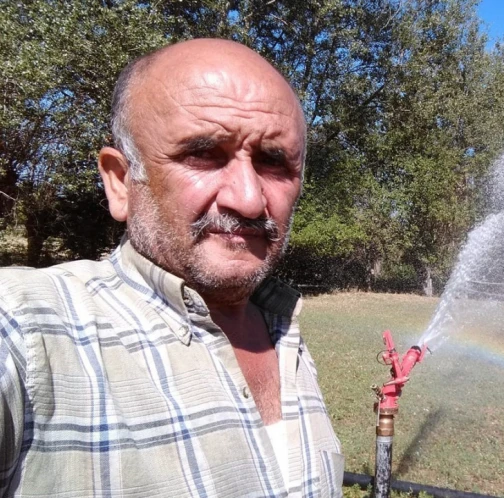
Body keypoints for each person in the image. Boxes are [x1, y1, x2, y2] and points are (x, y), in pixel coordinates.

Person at [0, 39, 342, 497]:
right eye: (202, 154)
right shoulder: (25, 330)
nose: (248, 199)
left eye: (274, 162)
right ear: (120, 182)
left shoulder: (284, 334)